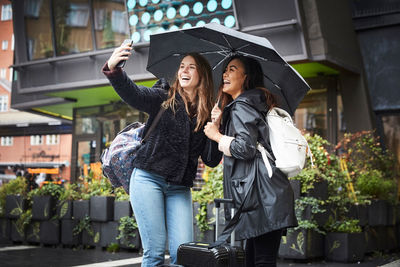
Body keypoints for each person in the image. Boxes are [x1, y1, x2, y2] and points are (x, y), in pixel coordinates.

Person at [102, 44, 221, 266]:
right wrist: (114, 69)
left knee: (183, 255)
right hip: (148, 179)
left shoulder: (207, 113)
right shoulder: (163, 97)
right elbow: (134, 94)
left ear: (202, 74)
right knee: (154, 254)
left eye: (191, 67)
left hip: (180, 188)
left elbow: (211, 160)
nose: (184, 70)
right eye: (182, 66)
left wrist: (216, 127)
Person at [204, 55, 298, 267]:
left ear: (246, 77)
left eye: (232, 69)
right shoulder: (253, 103)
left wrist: (216, 135)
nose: (225, 74)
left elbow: (244, 148)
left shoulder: (242, 105)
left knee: (260, 260)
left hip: (259, 195)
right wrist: (219, 123)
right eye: (225, 70)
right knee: (254, 259)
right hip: (264, 193)